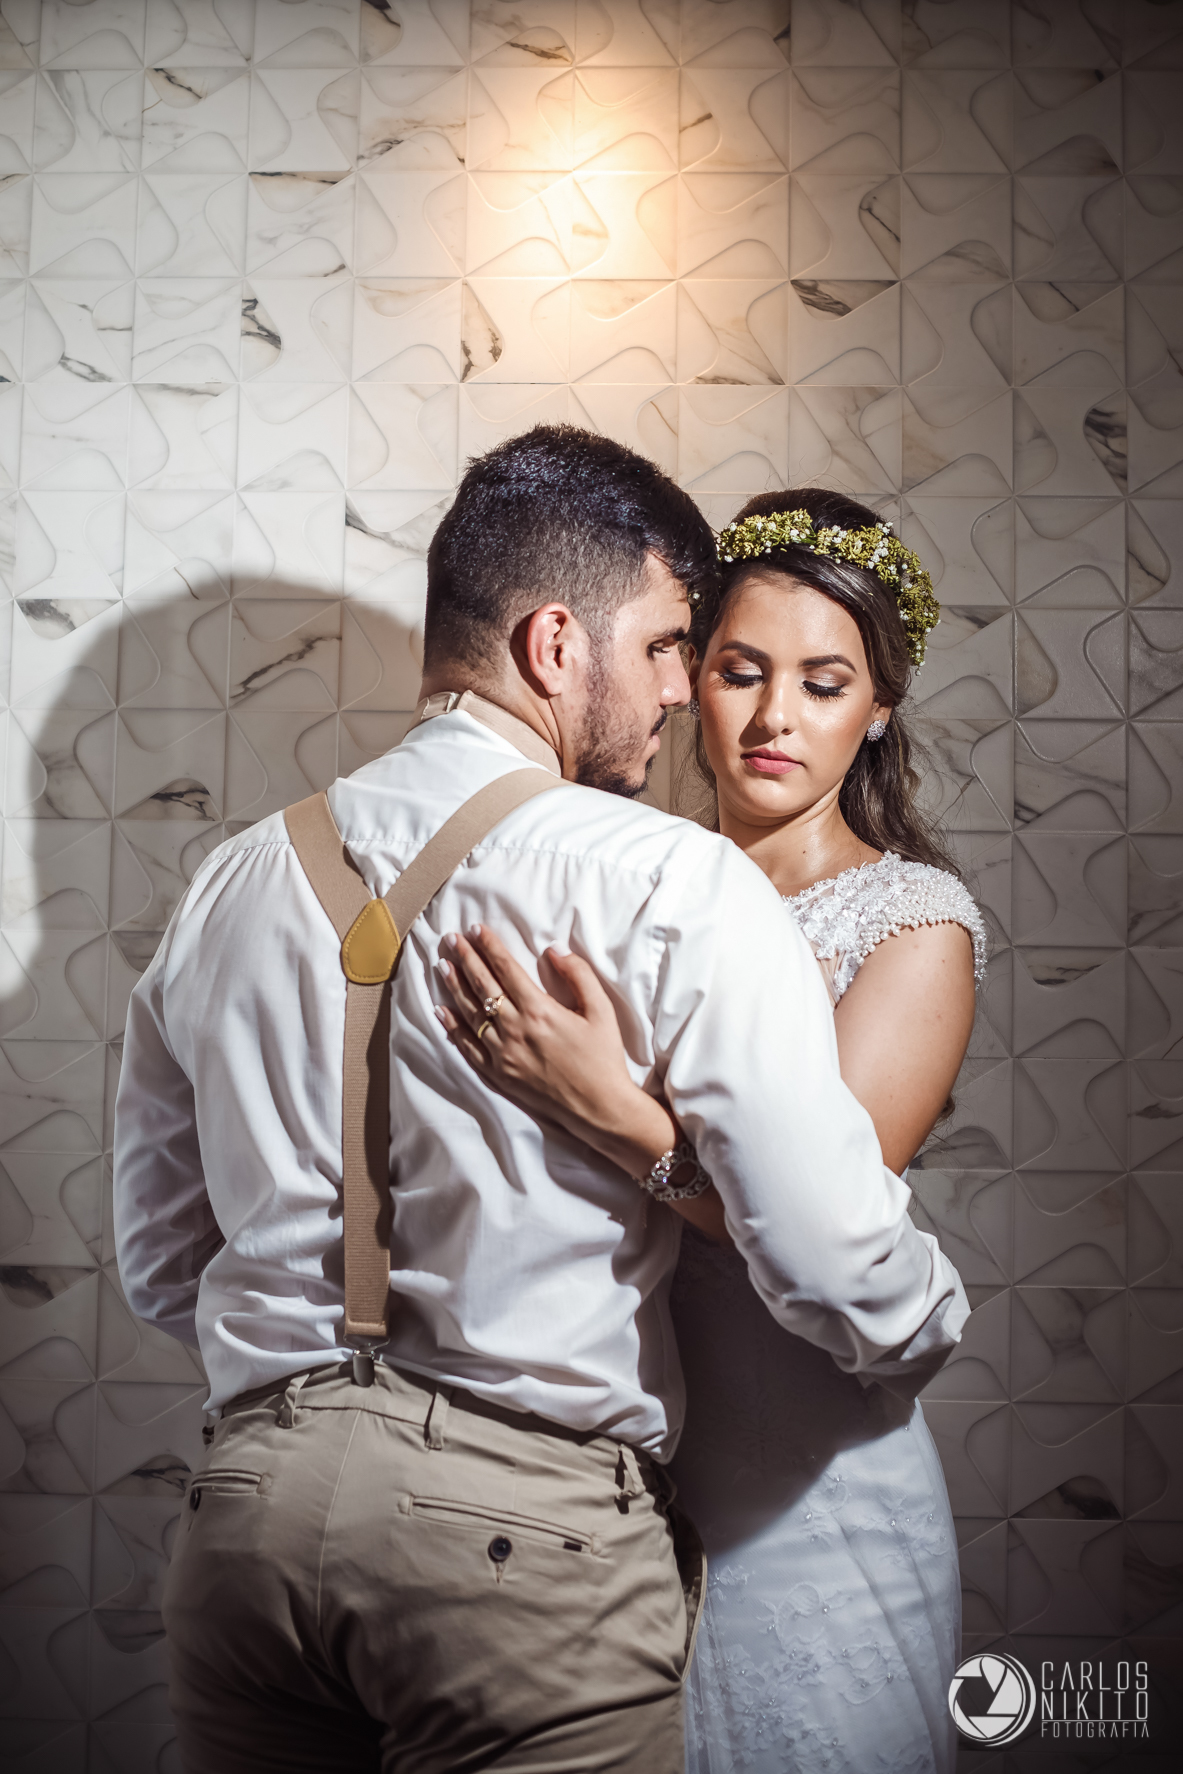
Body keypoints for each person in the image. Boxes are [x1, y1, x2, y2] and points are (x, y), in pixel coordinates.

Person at [113, 432, 968, 1774]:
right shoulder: (662, 880)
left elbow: (164, 1263)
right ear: (559, 643)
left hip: (245, 1526)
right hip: (527, 1538)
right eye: (674, 649)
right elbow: (834, 1260)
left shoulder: (227, 880)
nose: (686, 697)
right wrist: (928, 1310)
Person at [435, 488, 986, 1774]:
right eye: (739, 669)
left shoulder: (913, 924)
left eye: (823, 681)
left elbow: (809, 1224)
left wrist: (609, 1108)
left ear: (879, 709)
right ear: (690, 678)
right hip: (614, 1467)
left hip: (812, 1470)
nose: (774, 716)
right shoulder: (628, 871)